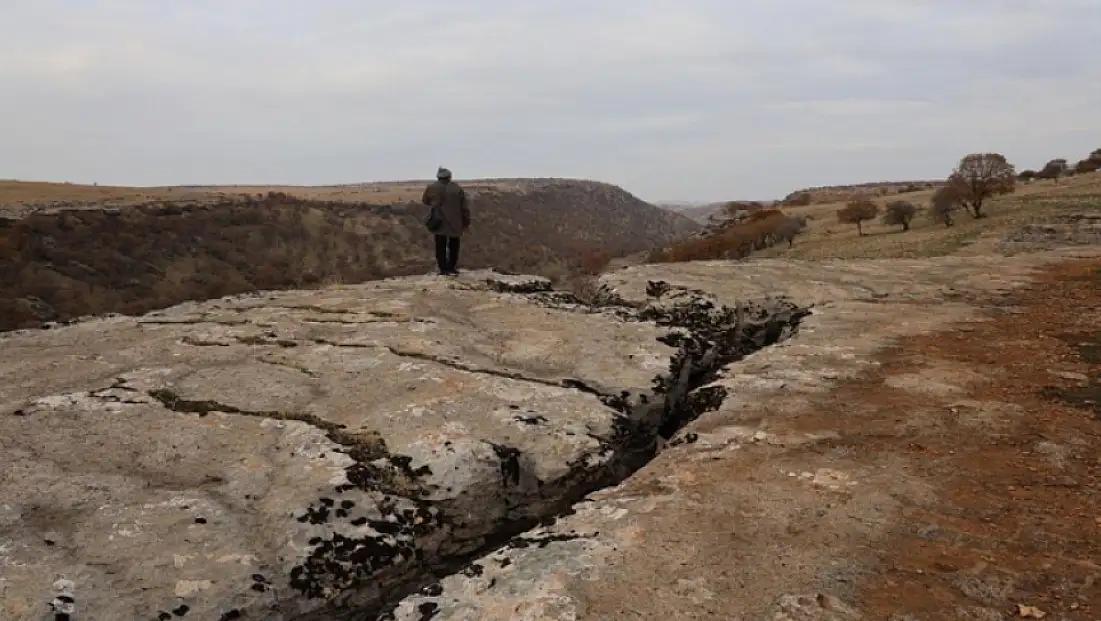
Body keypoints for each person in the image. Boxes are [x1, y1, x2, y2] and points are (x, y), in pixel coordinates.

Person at [421, 167, 470, 276]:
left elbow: (425, 201)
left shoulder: (432, 187)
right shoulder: (457, 189)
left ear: (438, 177)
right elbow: (464, 208)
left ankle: (443, 268)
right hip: (455, 221)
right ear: (449, 177)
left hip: (439, 220)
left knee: (440, 245)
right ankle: (452, 267)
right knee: (454, 245)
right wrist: (466, 221)